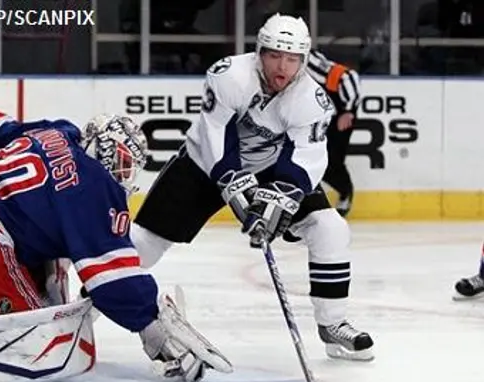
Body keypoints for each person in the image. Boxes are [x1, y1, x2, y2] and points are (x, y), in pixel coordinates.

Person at [0, 97, 233, 382]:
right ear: (105, 149)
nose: (123, 173)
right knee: (41, 338)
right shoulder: (96, 188)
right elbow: (111, 278)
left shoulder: (56, 132)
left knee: (51, 275)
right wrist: (151, 324)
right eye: (123, 161)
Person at [129, 13, 375, 361]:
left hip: (268, 168)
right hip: (203, 164)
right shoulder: (229, 75)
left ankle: (332, 325)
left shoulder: (312, 101)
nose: (282, 67)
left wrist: (284, 195)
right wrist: (237, 189)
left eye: (292, 59)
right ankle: (90, 303)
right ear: (259, 51)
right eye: (274, 55)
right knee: (146, 243)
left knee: (330, 228)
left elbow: (306, 156)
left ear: (303, 61)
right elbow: (218, 137)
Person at [306, 49, 361, 217]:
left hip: (339, 118)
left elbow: (347, 75)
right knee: (311, 160)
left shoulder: (309, 63)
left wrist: (349, 110)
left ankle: (345, 192)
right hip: (317, 119)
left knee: (332, 159)